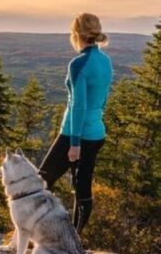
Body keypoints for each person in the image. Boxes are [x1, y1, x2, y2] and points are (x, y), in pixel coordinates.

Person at [38, 13, 113, 235]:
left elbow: (79, 106)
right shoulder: (105, 61)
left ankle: (34, 234)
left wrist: (74, 143)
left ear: (76, 34)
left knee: (40, 182)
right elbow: (103, 99)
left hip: (74, 133)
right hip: (96, 133)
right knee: (82, 188)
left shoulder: (78, 64)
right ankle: (74, 239)